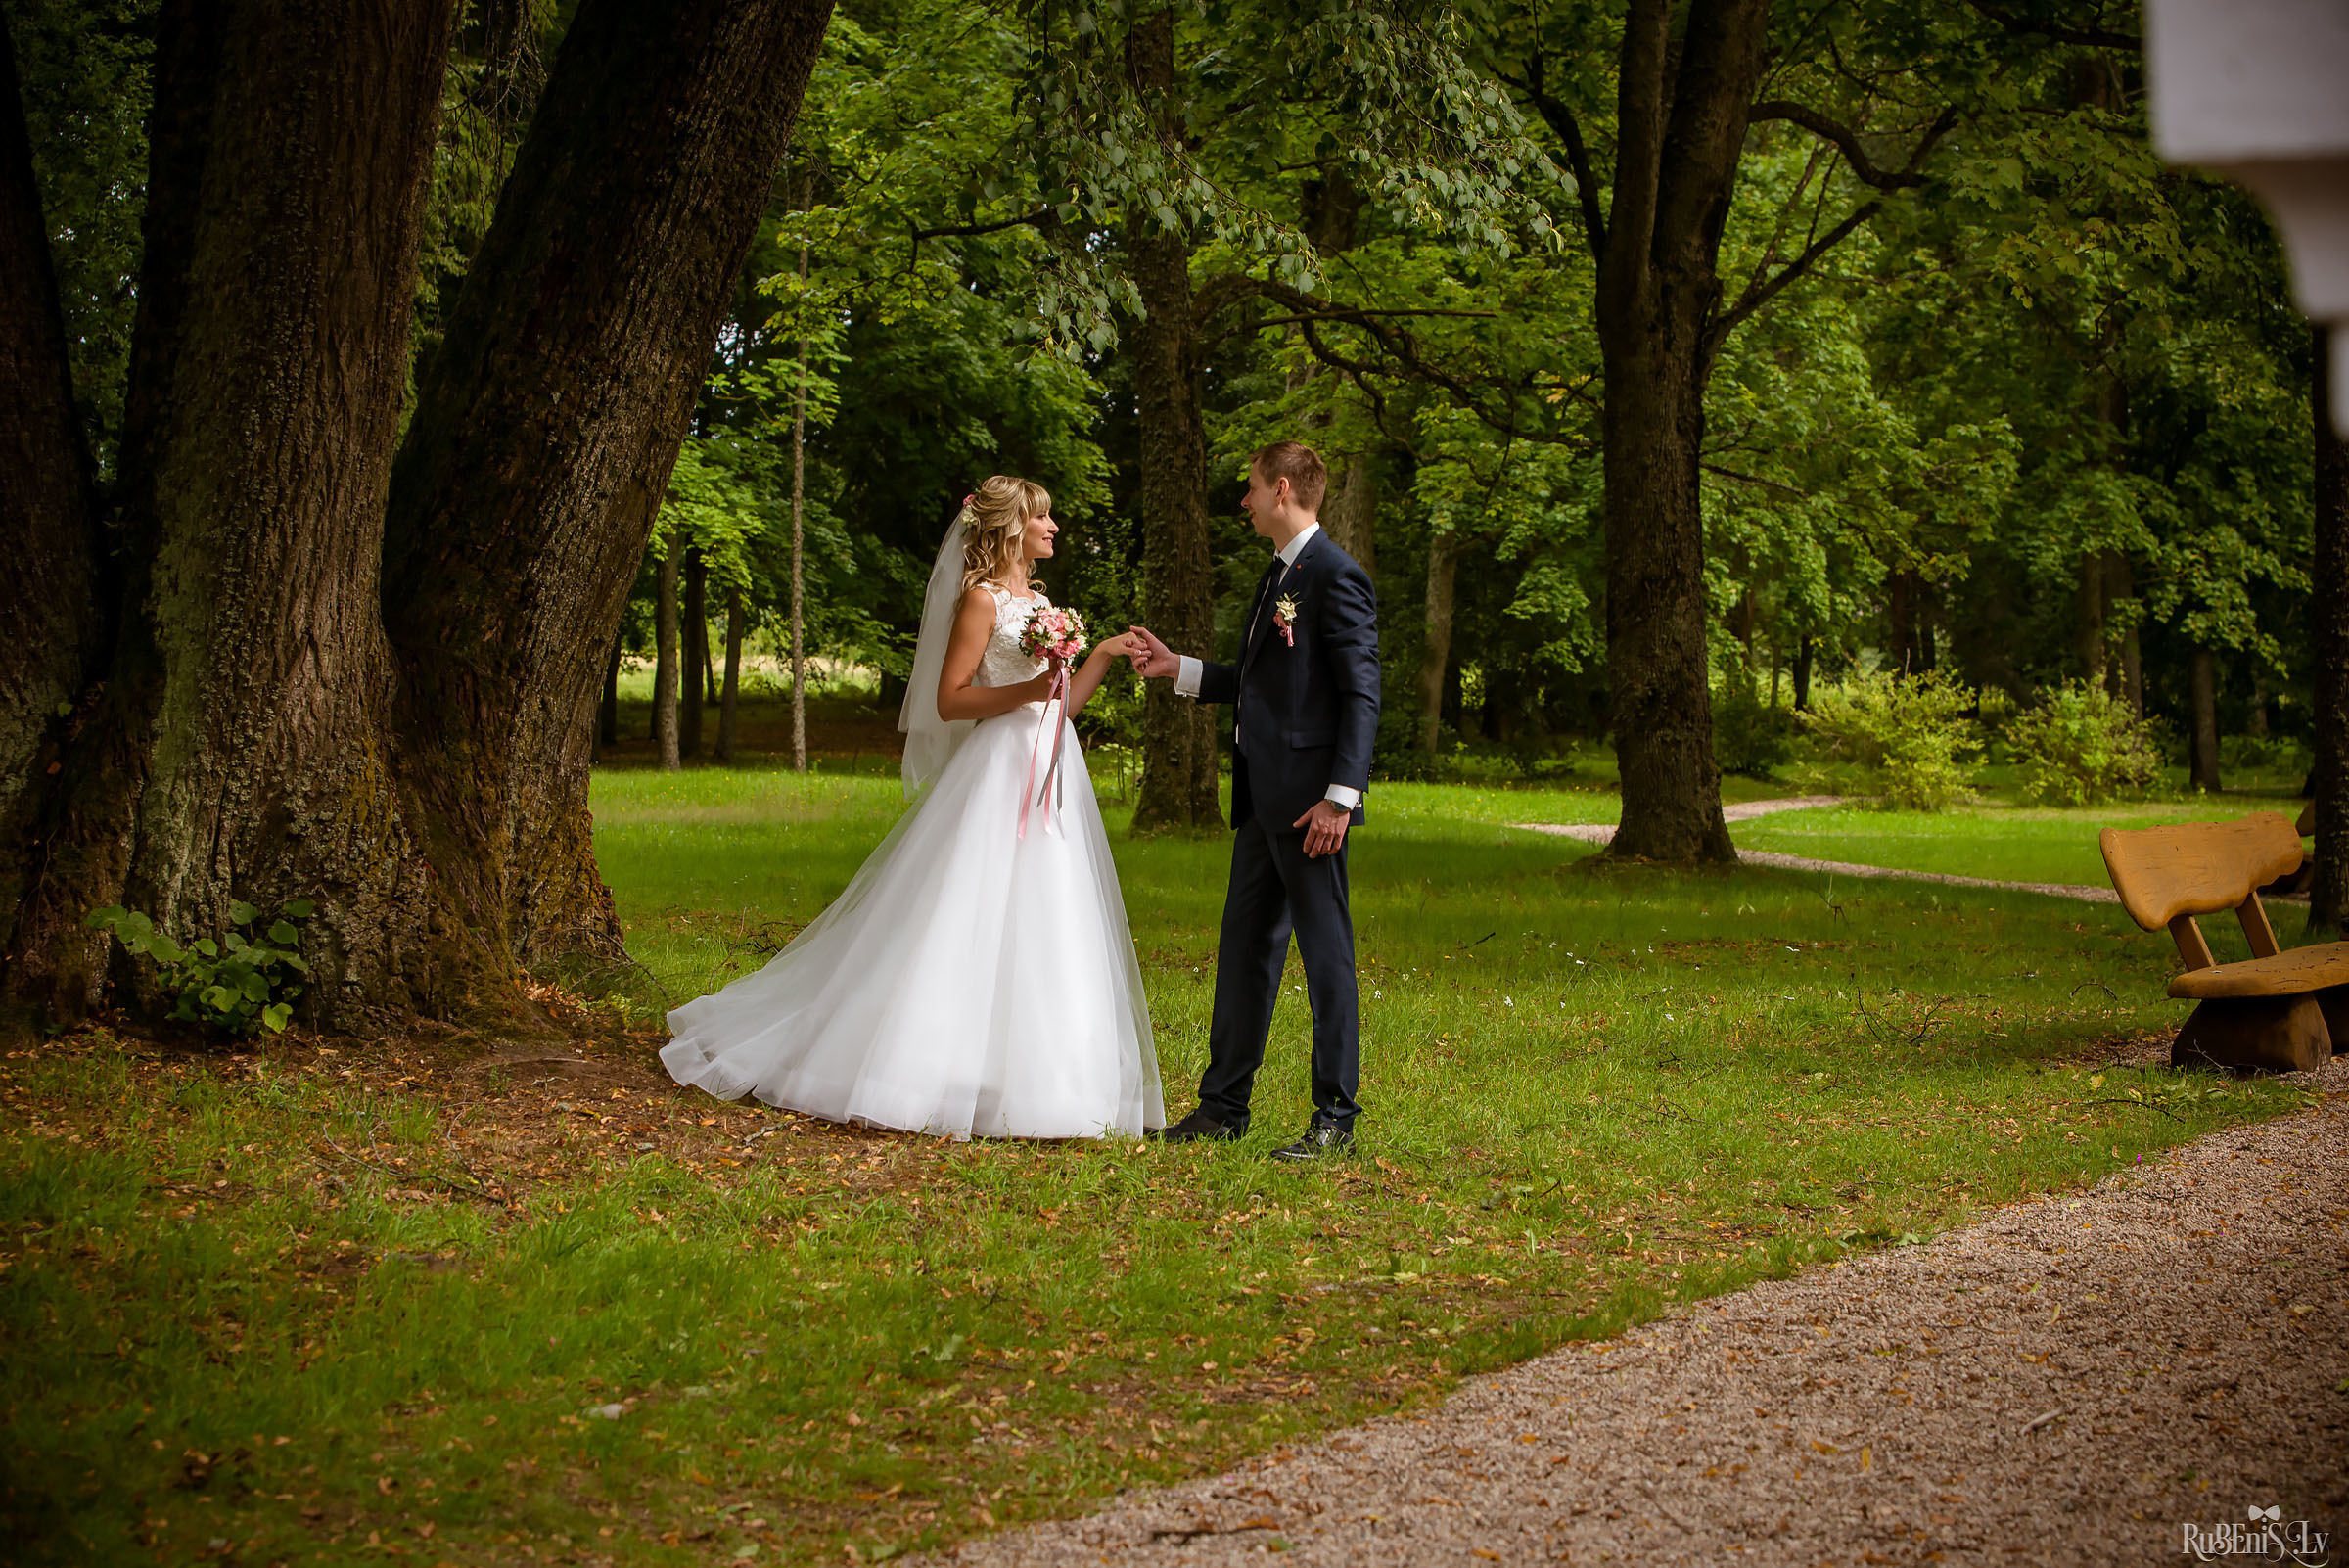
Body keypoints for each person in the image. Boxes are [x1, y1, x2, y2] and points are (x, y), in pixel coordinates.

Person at [661, 476, 1163, 1140]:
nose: (1055, 528)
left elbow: (1060, 706)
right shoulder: (982, 602)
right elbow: (951, 701)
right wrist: (1032, 689)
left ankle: (1044, 1078)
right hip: (998, 770)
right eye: (1044, 518)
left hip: (1049, 766)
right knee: (968, 909)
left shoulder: (1041, 603)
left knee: (1050, 912)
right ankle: (925, 1063)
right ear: (1013, 525)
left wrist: (1096, 655)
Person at [1127, 440, 1380, 1161]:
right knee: (1244, 953)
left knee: (1327, 960)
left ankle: (1335, 1119)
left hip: (1311, 811)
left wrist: (1339, 798)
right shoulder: (1280, 575)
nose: (1242, 503)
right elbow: (1264, 682)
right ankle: (1221, 1108)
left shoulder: (1335, 576)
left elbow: (1362, 693)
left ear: (1280, 488)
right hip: (1262, 803)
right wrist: (1182, 669)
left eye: (1249, 491)